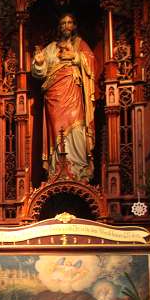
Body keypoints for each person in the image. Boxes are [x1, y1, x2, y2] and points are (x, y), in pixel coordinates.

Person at [32, 13, 95, 181]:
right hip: (54, 96)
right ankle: (56, 170)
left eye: (69, 23)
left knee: (77, 127)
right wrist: (38, 63)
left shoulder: (80, 44)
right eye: (63, 23)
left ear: (74, 26)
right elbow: (40, 73)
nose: (66, 26)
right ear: (59, 27)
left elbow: (91, 62)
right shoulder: (51, 48)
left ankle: (78, 168)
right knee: (56, 131)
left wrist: (75, 57)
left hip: (73, 91)